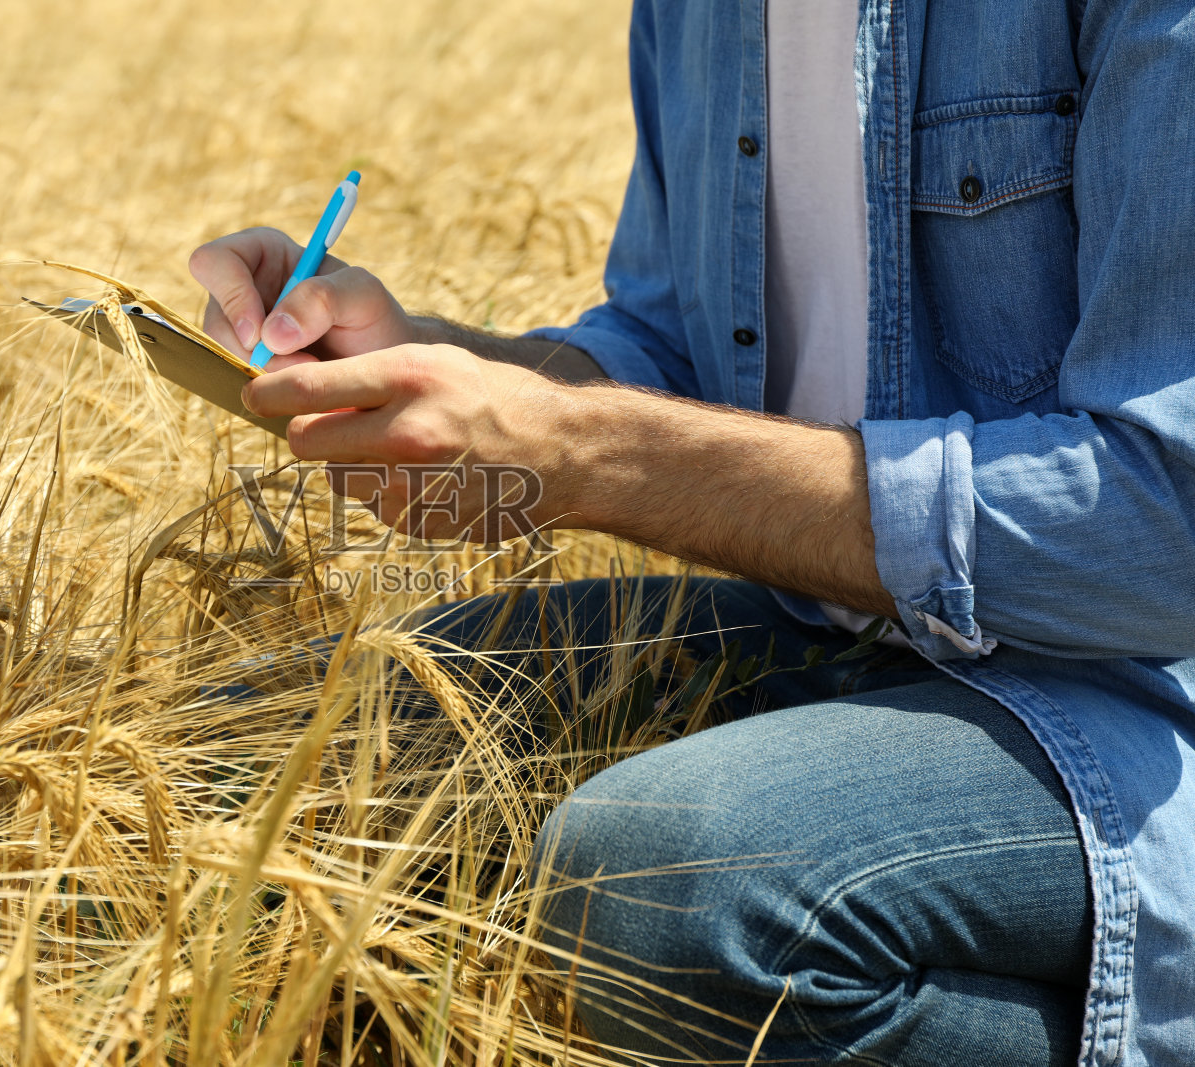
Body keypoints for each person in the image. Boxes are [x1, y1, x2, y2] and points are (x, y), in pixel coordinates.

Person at [188, 1, 1195, 1063]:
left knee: (660, 880)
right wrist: (430, 373)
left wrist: (583, 451)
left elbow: (1164, 522)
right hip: (831, 626)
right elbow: (670, 350)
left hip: (1127, 700)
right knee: (267, 745)